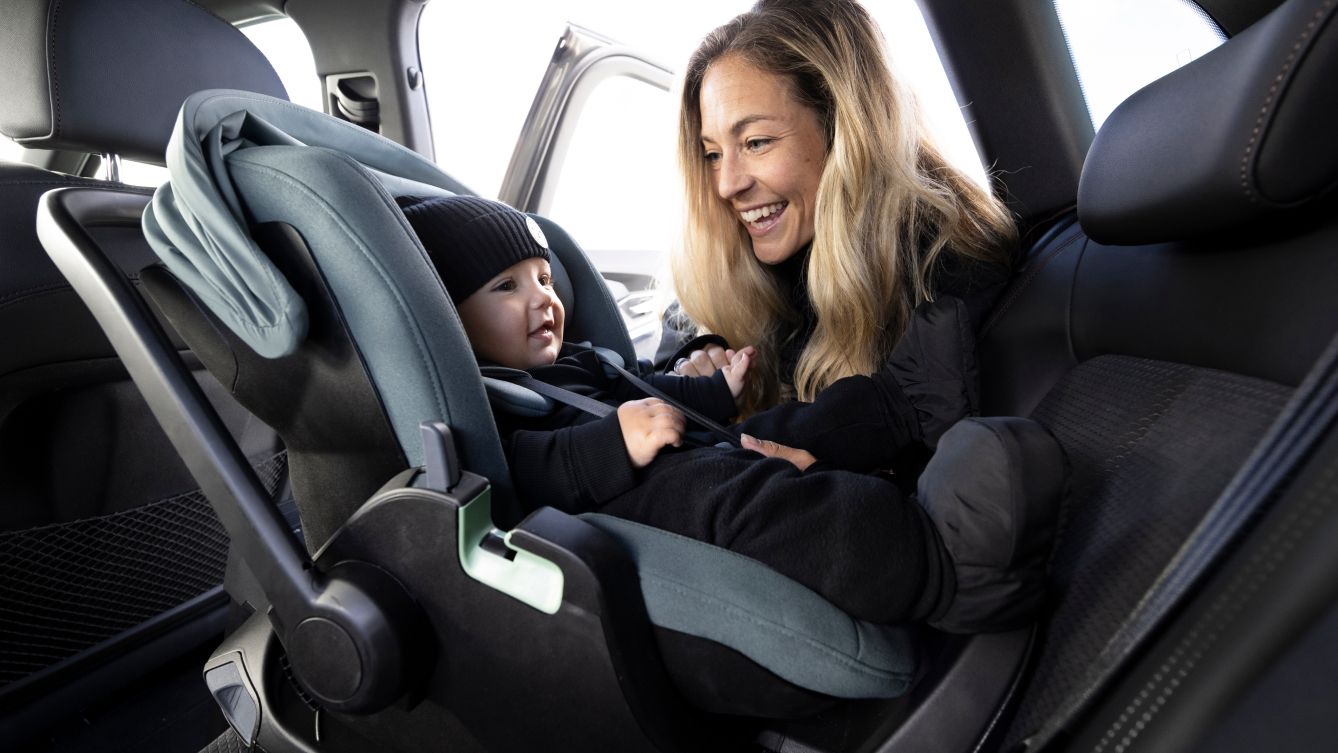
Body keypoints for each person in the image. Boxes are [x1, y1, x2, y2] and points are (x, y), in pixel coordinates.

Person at [399, 194, 1065, 634]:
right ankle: (938, 564)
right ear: (446, 319)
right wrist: (612, 444)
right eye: (505, 287)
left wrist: (715, 393)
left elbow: (648, 391)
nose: (541, 297)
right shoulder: (487, 398)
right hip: (633, 496)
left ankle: (903, 404)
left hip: (670, 450)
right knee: (746, 492)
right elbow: (524, 471)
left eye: (543, 278)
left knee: (781, 428)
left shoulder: (570, 360)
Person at [660, 0, 1016, 416]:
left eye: (756, 143)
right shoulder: (730, 275)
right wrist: (691, 374)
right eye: (712, 154)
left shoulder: (948, 278)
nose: (726, 184)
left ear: (845, 129)